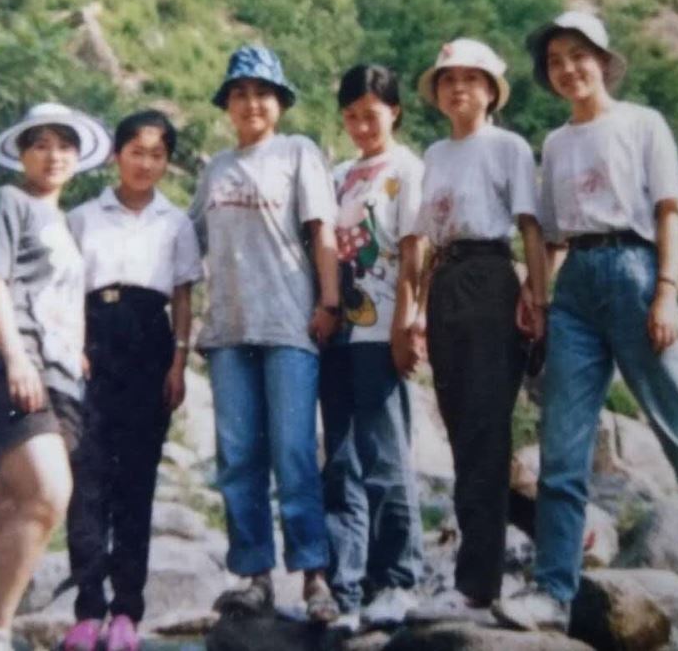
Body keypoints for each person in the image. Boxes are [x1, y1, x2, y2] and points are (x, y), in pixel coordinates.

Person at [491, 11, 678, 634]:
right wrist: (538, 300)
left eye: (578, 56)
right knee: (563, 450)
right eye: (555, 62)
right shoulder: (557, 143)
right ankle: (553, 592)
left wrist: (667, 294)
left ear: (603, 60)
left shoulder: (643, 123)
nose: (567, 69)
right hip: (576, 289)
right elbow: (551, 236)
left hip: (637, 272)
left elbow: (669, 212)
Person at [189, 45, 342, 624]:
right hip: (229, 330)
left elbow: (322, 231)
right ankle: (254, 575)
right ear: (227, 104)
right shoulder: (216, 169)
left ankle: (314, 575)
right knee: (237, 458)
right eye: (240, 94)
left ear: (279, 102)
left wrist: (329, 301)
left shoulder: (298, 152)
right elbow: (187, 240)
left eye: (261, 93)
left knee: (294, 451)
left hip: (288, 324)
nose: (251, 103)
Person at [0, 102, 111, 651]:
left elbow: (58, 296)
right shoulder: (8, 202)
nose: (54, 156)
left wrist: (77, 351)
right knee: (48, 494)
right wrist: (16, 357)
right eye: (40, 144)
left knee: (6, 510)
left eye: (65, 145)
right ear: (21, 154)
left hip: (60, 379)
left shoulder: (64, 224)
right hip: (8, 370)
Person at [410, 38, 548, 616]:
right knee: (462, 431)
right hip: (445, 282)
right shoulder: (435, 154)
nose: (458, 87)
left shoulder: (507, 147)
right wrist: (418, 310)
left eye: (471, 78)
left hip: (492, 277)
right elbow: (425, 239)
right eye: (448, 79)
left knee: (486, 431)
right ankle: (545, 531)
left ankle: (477, 584)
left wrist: (537, 296)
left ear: (491, 91)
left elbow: (531, 226)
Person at [61, 110, 203, 651]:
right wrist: (72, 346)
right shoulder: (83, 217)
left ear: (167, 162)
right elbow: (66, 288)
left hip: (150, 343)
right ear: (117, 154)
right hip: (92, 339)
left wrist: (178, 363)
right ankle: (86, 609)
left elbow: (183, 295)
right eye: (136, 152)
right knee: (87, 476)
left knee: (136, 482)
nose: (145, 164)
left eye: (157, 155)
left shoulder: (176, 223)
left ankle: (126, 612)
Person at [321, 64, 427, 630]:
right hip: (338, 332)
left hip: (381, 329)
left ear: (395, 112)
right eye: (352, 115)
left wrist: (406, 325)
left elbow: (415, 253)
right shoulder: (339, 174)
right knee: (341, 461)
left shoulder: (409, 169)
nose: (362, 126)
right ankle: (347, 588)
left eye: (372, 114)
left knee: (385, 456)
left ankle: (398, 579)